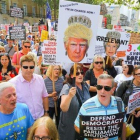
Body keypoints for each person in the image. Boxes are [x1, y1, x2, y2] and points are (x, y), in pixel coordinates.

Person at [74, 74, 126, 140]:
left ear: (113, 90)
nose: (102, 91)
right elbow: (76, 125)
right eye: (99, 87)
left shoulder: (119, 102)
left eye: (107, 88)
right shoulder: (86, 105)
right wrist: (93, 138)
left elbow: (123, 124)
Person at [9, 54, 49, 120]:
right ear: (21, 67)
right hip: (23, 120)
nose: (28, 70)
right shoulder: (12, 83)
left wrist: (46, 112)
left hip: (40, 118)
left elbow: (45, 96)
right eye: (25, 67)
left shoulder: (40, 79)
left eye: (31, 67)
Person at [58, 65, 90, 140]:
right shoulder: (67, 87)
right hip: (70, 126)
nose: (80, 75)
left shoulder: (85, 86)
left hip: (83, 124)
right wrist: (69, 96)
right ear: (72, 75)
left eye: (82, 72)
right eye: (77, 73)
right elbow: (63, 108)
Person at [116, 66, 140, 140]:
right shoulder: (125, 84)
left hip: (138, 116)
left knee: (135, 136)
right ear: (133, 75)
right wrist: (127, 108)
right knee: (124, 135)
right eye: (138, 74)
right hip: (125, 115)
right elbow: (117, 99)